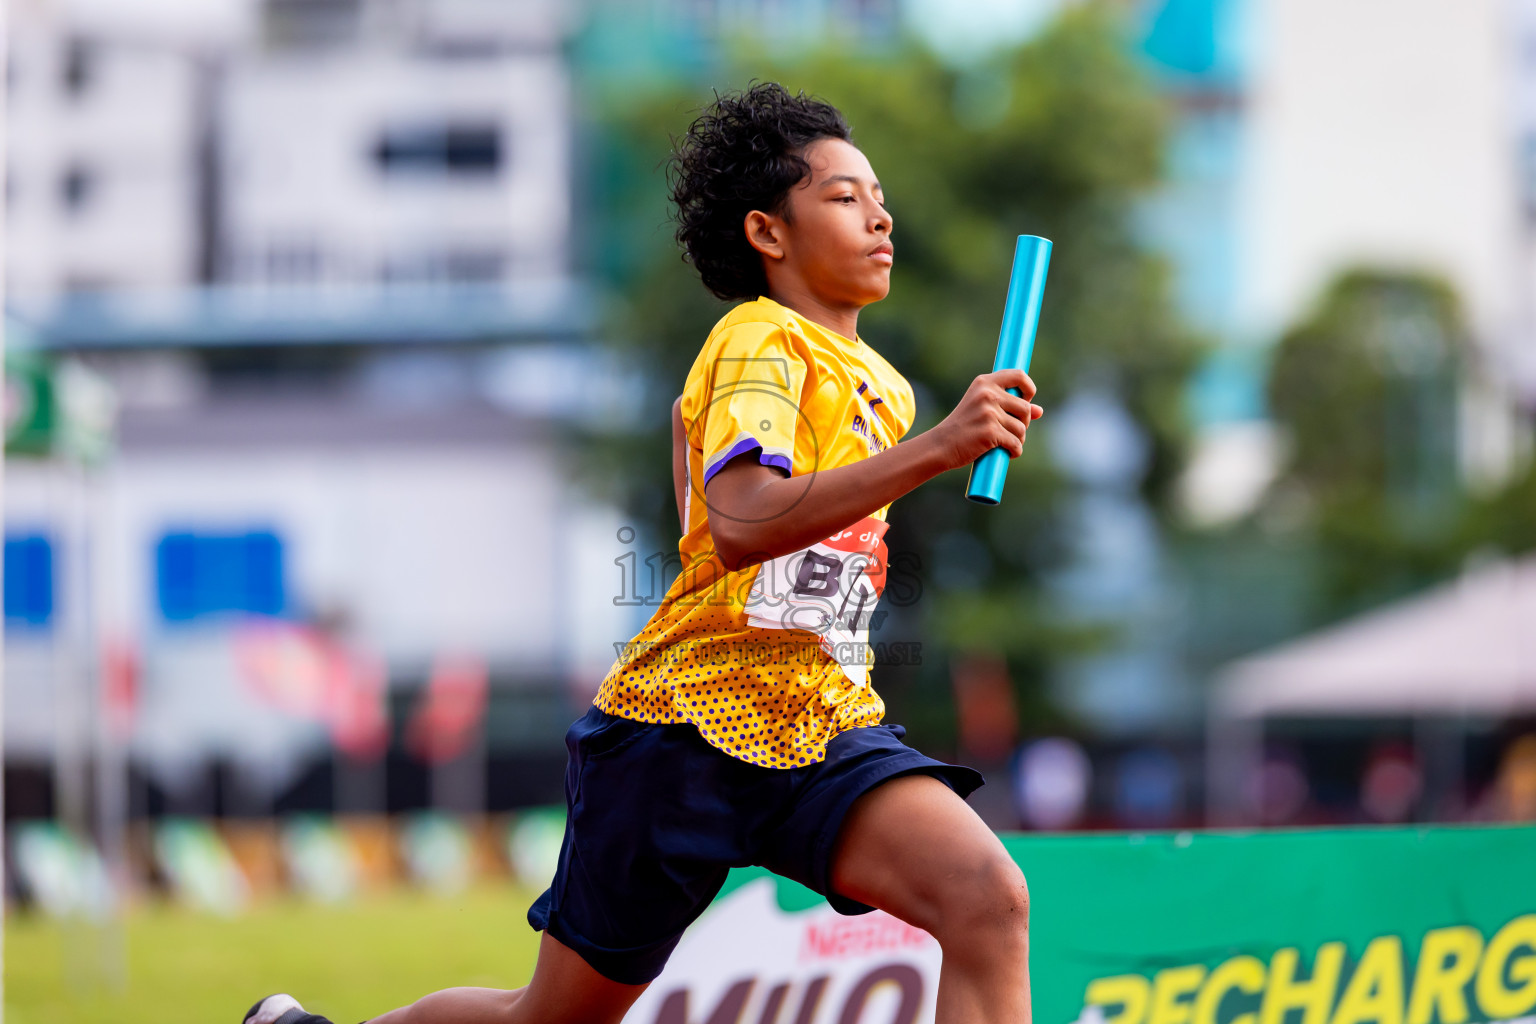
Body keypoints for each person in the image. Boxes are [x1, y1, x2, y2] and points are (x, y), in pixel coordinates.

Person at [245, 80, 1043, 1024]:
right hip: (683, 735)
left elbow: (732, 511)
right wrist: (939, 452)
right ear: (767, 233)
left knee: (988, 901)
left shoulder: (885, 387)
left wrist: (916, 446)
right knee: (551, 1020)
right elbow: (744, 522)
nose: (880, 215)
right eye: (843, 196)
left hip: (818, 724)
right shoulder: (757, 341)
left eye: (879, 197)